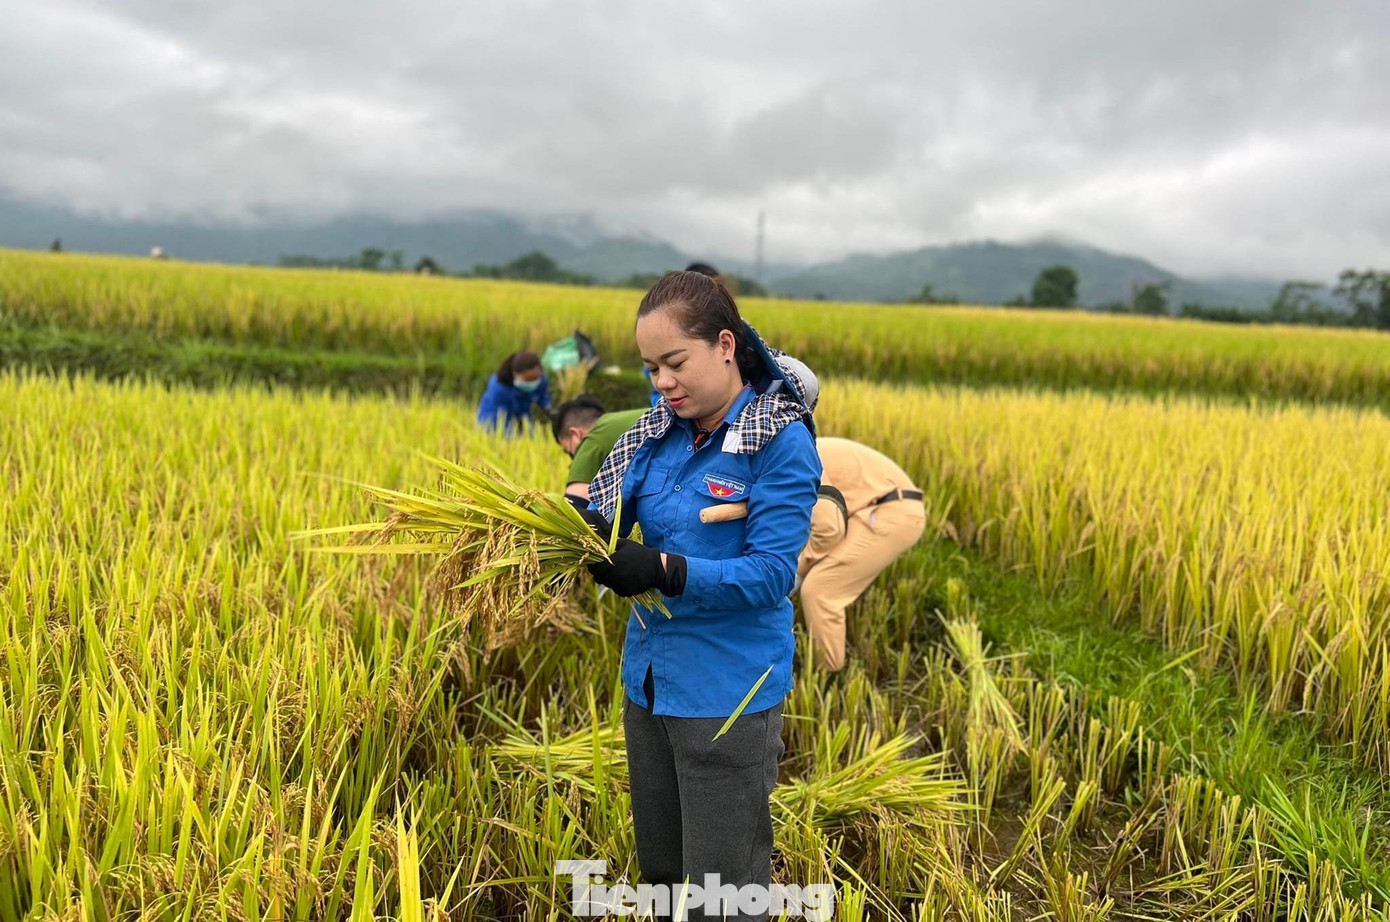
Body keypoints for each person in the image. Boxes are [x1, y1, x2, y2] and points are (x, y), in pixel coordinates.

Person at [578, 270, 819, 919]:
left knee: (723, 888)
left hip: (726, 692)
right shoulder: (657, 433)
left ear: (723, 345)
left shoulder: (779, 443)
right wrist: (584, 529)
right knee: (660, 869)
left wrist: (663, 569)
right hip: (650, 682)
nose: (662, 382)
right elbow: (608, 506)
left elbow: (772, 574)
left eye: (674, 362)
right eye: (651, 367)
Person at [795, 437, 927, 671]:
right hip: (879, 507)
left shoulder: (795, 459)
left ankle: (828, 675)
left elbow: (829, 530)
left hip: (890, 511)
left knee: (820, 589)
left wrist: (794, 573)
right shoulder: (796, 447)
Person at [551, 395, 646, 504]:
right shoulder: (616, 423)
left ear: (575, 433)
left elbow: (574, 505)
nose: (574, 459)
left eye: (570, 453)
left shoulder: (592, 440)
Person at [476, 350, 551, 433]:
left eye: (535, 378)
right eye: (528, 380)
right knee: (504, 435)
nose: (532, 382)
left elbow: (541, 394)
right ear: (515, 374)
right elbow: (501, 417)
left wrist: (546, 406)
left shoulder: (540, 379)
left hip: (522, 412)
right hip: (494, 414)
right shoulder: (499, 388)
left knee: (531, 435)